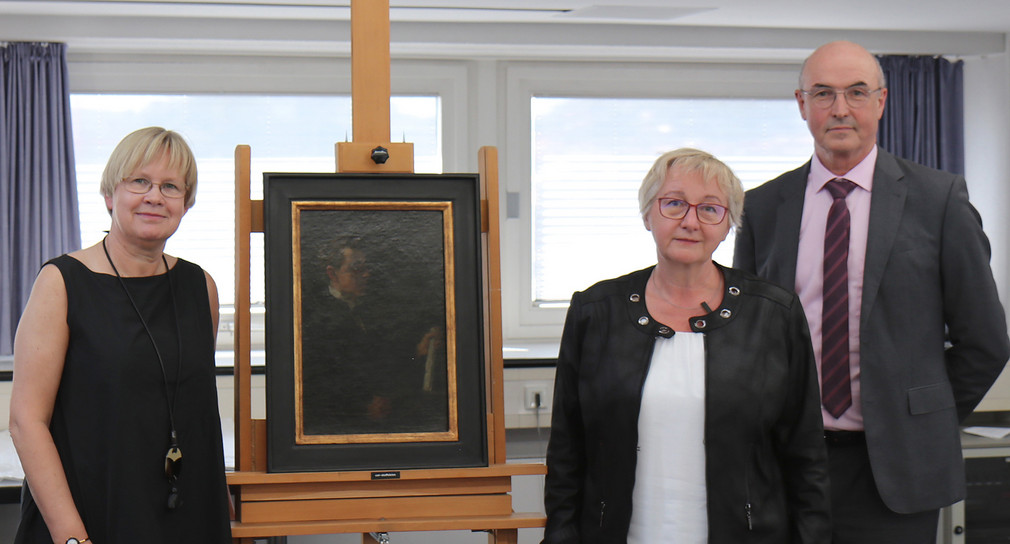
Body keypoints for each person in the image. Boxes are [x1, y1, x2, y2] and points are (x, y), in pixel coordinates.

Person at [734, 40, 1010, 543]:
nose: (840, 108)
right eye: (823, 93)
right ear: (801, 104)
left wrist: (920, 416)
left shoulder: (938, 200)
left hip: (896, 471)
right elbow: (748, 339)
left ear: (881, 101)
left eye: (856, 92)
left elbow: (986, 340)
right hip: (785, 465)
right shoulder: (763, 206)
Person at [543, 148, 830, 544]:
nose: (690, 222)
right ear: (648, 213)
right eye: (674, 204)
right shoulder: (595, 312)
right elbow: (567, 449)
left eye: (710, 209)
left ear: (729, 223)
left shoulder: (774, 314)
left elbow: (806, 453)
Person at [10, 127, 232, 543]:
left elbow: (192, 407)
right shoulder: (61, 281)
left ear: (186, 203)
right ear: (110, 195)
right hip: (91, 517)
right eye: (139, 182)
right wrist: (70, 536)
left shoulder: (201, 286)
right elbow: (26, 422)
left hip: (185, 514)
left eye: (170, 186)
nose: (154, 196)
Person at [299, 232, 447, 436]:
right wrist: (362, 406)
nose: (366, 274)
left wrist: (417, 351)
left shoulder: (370, 307)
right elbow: (321, 383)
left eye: (366, 267)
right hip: (342, 422)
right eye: (356, 269)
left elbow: (379, 362)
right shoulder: (315, 318)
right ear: (332, 274)